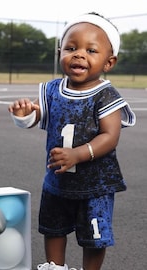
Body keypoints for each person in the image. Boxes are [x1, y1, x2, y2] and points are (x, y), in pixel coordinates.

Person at [8, 12, 136, 270]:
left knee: (94, 238)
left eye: (91, 50)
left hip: (95, 186)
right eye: (71, 47)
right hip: (57, 181)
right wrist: (24, 116)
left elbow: (110, 136)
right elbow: (39, 116)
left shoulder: (105, 94)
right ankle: (55, 267)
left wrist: (78, 154)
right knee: (53, 229)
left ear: (109, 62)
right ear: (60, 53)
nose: (79, 54)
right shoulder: (53, 90)